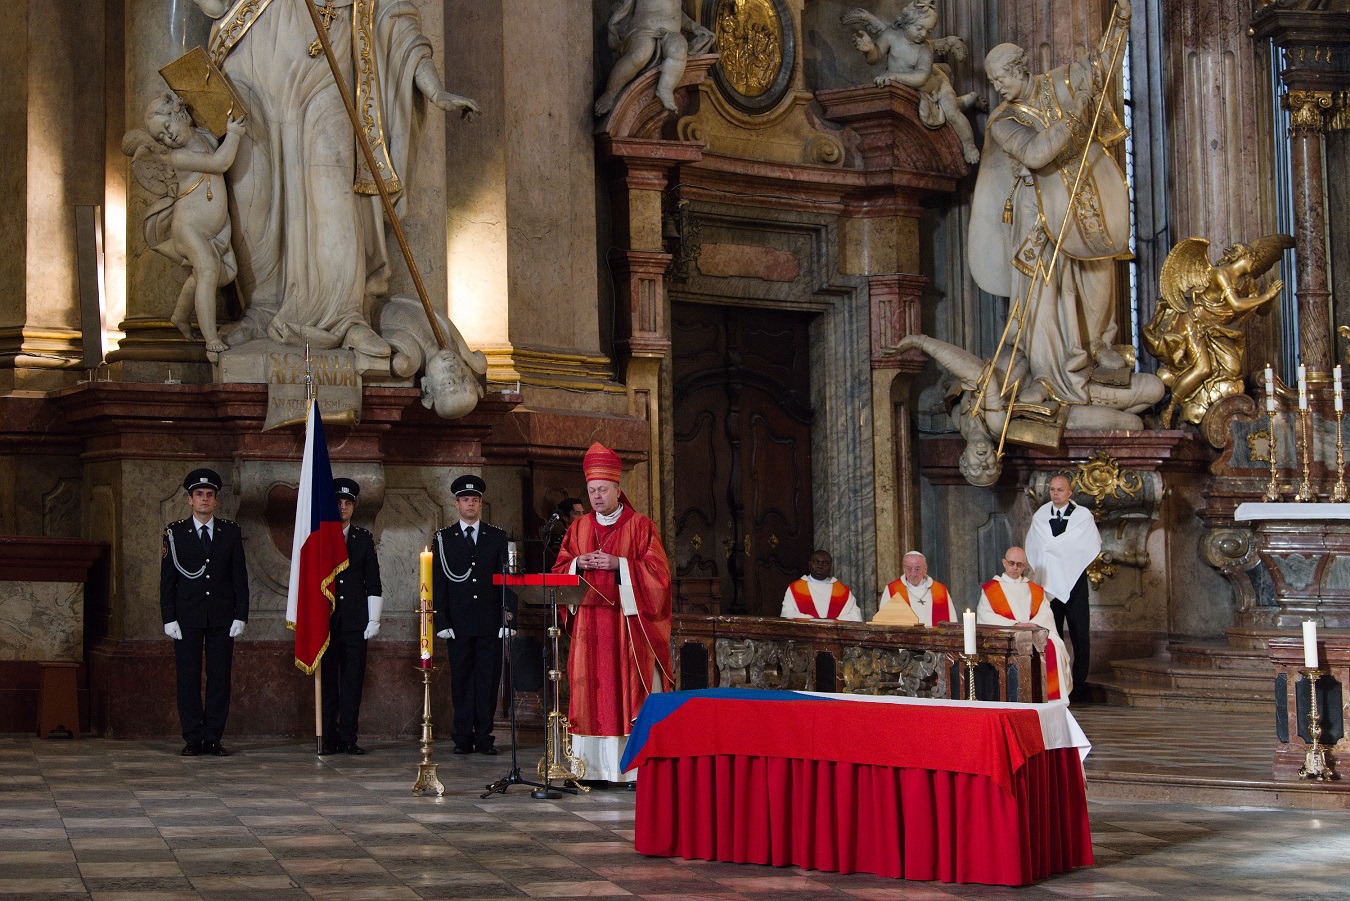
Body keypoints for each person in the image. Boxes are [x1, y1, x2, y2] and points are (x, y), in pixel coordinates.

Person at [192, 0, 479, 356]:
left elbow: (395, 17)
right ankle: (261, 312)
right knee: (254, 201)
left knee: (334, 198)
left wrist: (434, 89)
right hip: (250, 65)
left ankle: (346, 317)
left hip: (327, 72)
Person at [969, 0, 1134, 408]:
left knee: (1098, 277)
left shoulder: (1057, 83)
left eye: (1001, 77)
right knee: (1047, 294)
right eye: (991, 81)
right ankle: (1054, 370)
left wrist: (1122, 22)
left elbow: (1101, 65)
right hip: (1036, 214)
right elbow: (1038, 153)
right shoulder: (1003, 121)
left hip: (1084, 199)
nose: (998, 87)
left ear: (1020, 68)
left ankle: (1099, 347)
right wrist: (1076, 115)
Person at [552, 442, 673, 785]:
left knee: (626, 689)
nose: (597, 496)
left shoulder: (641, 526)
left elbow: (660, 578)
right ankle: (590, 770)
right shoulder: (578, 529)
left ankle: (631, 769)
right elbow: (560, 569)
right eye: (591, 490)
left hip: (626, 625)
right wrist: (578, 563)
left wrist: (619, 565)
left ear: (618, 489)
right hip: (589, 626)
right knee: (592, 692)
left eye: (603, 489)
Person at [160, 468, 249, 756]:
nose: (204, 500)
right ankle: (192, 737)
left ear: (216, 501)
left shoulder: (230, 532)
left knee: (219, 677)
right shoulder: (175, 533)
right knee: (187, 677)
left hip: (222, 616)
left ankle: (213, 736)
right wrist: (168, 617)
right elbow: (168, 579)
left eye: (209, 495)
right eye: (199, 495)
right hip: (187, 617)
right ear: (189, 500)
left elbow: (239, 576)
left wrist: (241, 614)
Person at [432, 475, 514, 755]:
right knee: (462, 681)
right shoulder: (444, 538)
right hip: (458, 623)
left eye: (475, 500)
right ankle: (463, 737)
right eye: (466, 500)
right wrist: (441, 620)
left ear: (480, 504)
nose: (471, 504)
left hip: (490, 621)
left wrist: (508, 616)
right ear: (456, 504)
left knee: (488, 681)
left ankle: (484, 736)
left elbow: (508, 578)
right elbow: (439, 582)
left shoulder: (497, 536)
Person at [320, 478, 383, 756]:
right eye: (338, 503)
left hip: (356, 623)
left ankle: (348, 736)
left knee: (352, 681)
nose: (343, 507)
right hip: (327, 622)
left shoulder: (362, 538)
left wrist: (374, 619)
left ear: (353, 507)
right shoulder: (318, 538)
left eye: (348, 503)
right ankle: (327, 736)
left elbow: (373, 582)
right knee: (328, 684)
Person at [1025, 474, 1101, 702]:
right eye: (1052, 490)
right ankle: (1053, 682)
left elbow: (1088, 545)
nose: (1055, 494)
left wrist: (1059, 552)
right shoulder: (1040, 517)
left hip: (1074, 582)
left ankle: (1079, 683)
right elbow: (1036, 547)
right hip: (1048, 584)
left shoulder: (1082, 517)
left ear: (1069, 492)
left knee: (1080, 635)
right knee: (1051, 634)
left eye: (1060, 490)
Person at [976, 547, 1070, 701]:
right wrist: (1015, 624)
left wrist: (1032, 625)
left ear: (1024, 566)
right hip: (1006, 634)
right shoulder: (991, 589)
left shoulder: (1035, 590)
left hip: (1034, 633)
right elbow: (985, 616)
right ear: (1004, 563)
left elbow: (1045, 613)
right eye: (1011, 563)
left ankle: (1049, 698)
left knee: (1053, 646)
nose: (1015, 567)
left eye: (1019, 564)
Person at [873, 551, 955, 627]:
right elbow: (882, 624)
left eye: (917, 569)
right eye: (909, 569)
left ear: (925, 569)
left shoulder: (940, 591)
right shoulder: (893, 590)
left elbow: (952, 625)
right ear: (904, 569)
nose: (913, 574)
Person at [781, 550, 863, 622]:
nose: (820, 566)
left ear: (831, 566)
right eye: (816, 562)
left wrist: (833, 622)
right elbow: (787, 613)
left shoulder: (842, 591)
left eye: (825, 563)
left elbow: (855, 616)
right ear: (809, 564)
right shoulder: (795, 588)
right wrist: (813, 621)